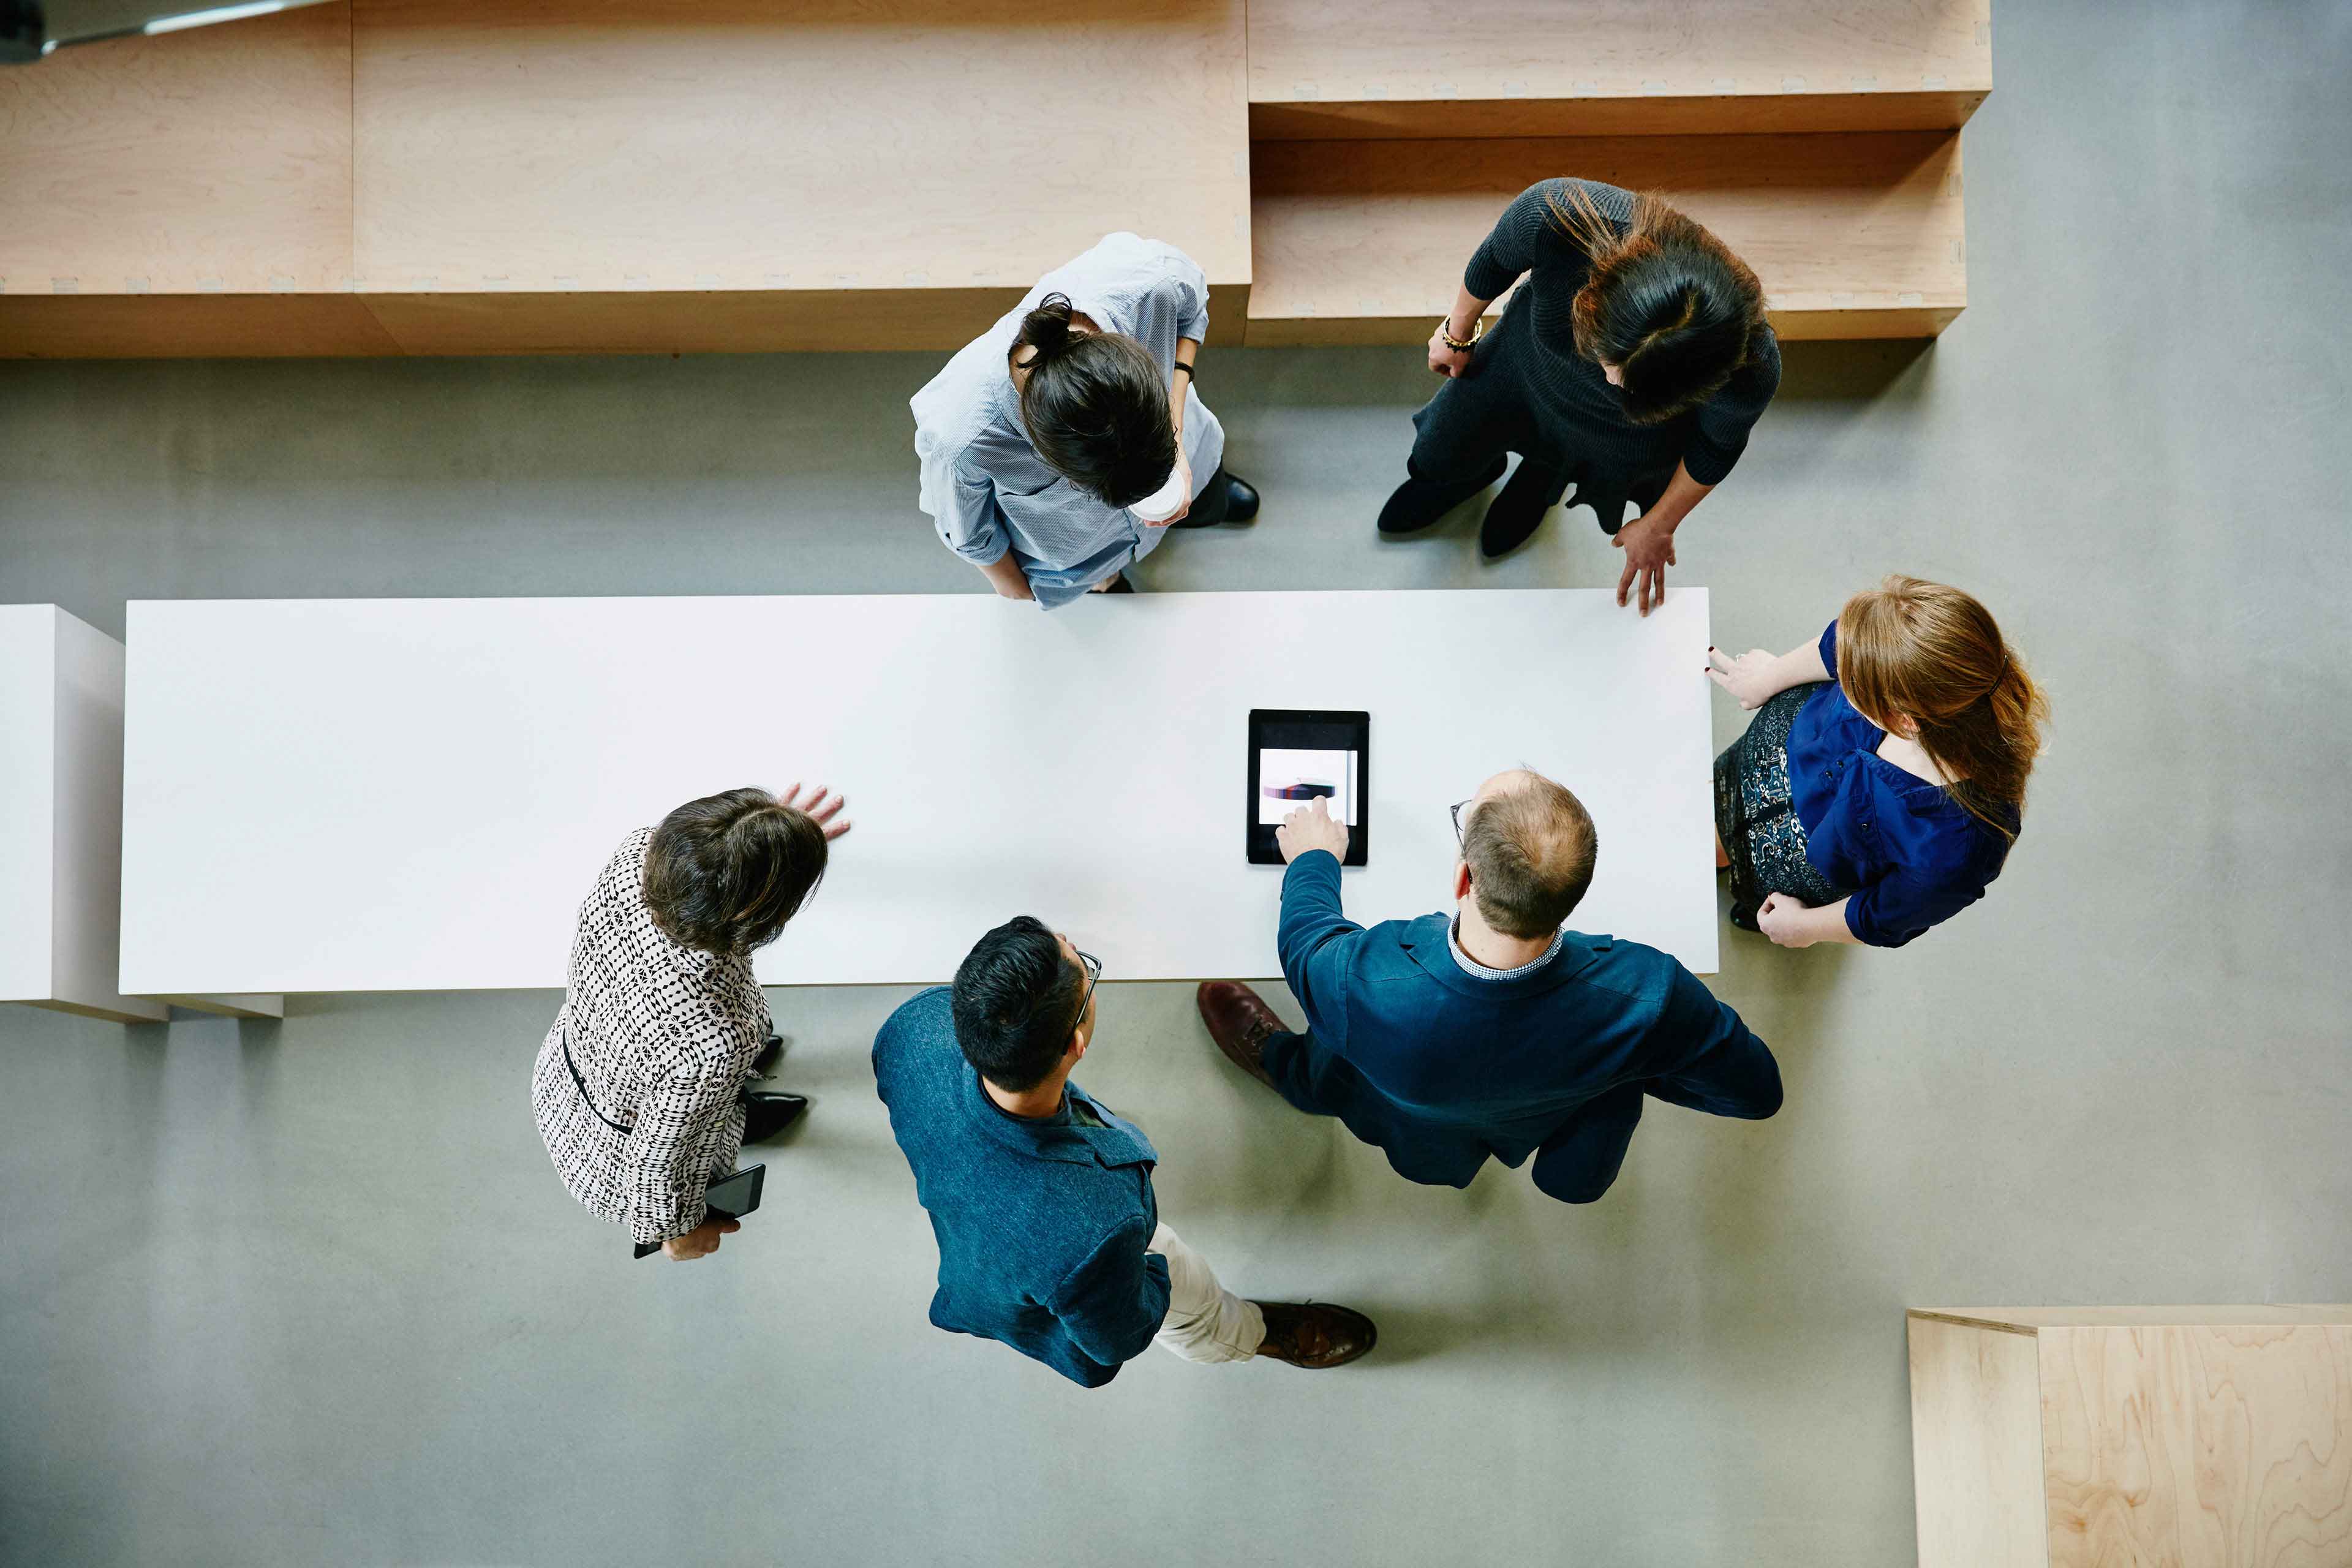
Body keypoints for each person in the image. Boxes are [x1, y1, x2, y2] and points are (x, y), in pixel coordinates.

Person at [1197, 772, 1780, 1205]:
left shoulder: (1363, 978)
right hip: (1538, 1119)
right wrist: (1632, 1066)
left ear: (1462, 878)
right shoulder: (1650, 996)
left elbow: (1304, 941)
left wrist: (1315, 858)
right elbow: (1756, 1093)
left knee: (1329, 1053)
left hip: (1416, 1127)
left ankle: (1288, 1071)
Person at [872, 917, 1374, 1387]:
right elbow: (1116, 1338)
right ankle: (1248, 1334)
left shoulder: (913, 1027)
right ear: (1075, 1043)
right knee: (1188, 1294)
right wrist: (1154, 1274)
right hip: (1056, 1263)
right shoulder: (1095, 1227)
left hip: (985, 1218)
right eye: (1086, 972)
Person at [1378, 178, 1780, 609]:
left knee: (1555, 468)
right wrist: (1457, 332)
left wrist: (1660, 525)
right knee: (1437, 453)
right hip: (1524, 368)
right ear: (1594, 298)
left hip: (1622, 434)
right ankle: (1471, 476)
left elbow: (1716, 446)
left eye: (1627, 383)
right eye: (1609, 363)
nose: (1609, 382)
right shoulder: (1560, 219)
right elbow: (1496, 258)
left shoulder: (1749, 366)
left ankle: (1537, 486)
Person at [530, 784, 850, 1259]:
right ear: (755, 912)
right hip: (612, 1156)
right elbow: (656, 1161)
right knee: (706, 1090)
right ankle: (723, 1108)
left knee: (708, 1080)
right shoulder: (716, 1044)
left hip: (576, 1068)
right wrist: (674, 1233)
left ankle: (725, 1102)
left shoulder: (637, 854)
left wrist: (761, 848)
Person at [911, 232, 1261, 606]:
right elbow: (970, 534)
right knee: (1104, 582)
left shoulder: (1151, 284)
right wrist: (1017, 588)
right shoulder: (961, 439)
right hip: (1082, 554)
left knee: (1208, 499)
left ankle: (1206, 495)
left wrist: (1176, 439)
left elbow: (1193, 306)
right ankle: (1106, 579)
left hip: (1191, 454)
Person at [1706, 575, 2049, 949]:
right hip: (1775, 753)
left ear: (1904, 721)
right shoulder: (1903, 643)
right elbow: (1840, 643)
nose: (1840, 675)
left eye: (1851, 684)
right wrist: (1767, 679)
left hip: (1797, 866)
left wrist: (1802, 927)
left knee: (1712, 856)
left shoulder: (1964, 844)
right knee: (1711, 834)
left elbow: (1884, 913)